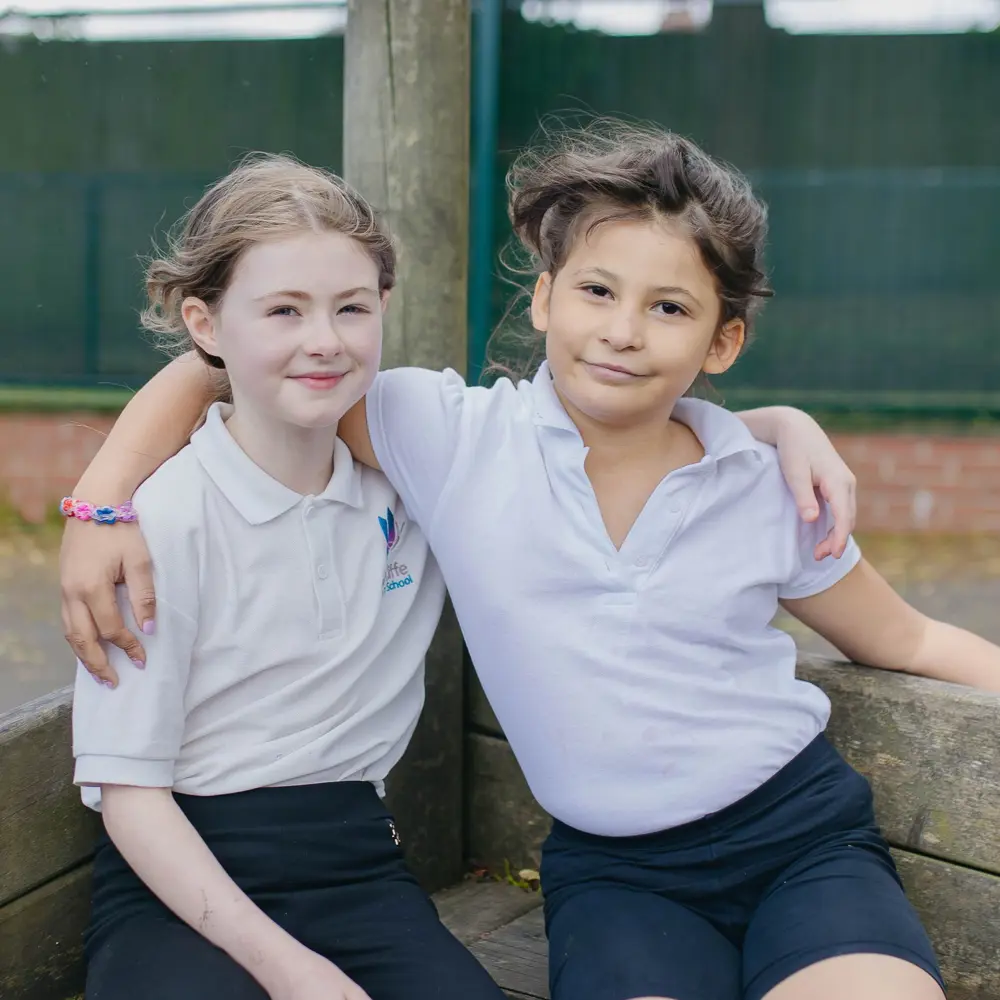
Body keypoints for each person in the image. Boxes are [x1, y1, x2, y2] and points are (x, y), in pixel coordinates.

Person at [60, 124, 986, 1000]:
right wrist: (100, 503)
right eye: (596, 291)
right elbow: (245, 364)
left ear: (723, 341)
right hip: (622, 876)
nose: (624, 330)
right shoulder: (451, 439)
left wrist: (781, 427)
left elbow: (906, 636)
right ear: (543, 296)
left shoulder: (764, 482)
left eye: (669, 308)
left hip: (802, 838)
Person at [69, 153, 510, 1000]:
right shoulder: (158, 522)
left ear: (383, 307)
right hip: (178, 879)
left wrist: (774, 425)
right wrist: (294, 972)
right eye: (283, 310)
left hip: (355, 868)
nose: (324, 340)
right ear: (205, 325)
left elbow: (597, 436)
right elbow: (130, 796)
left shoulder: (417, 479)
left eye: (351, 307)